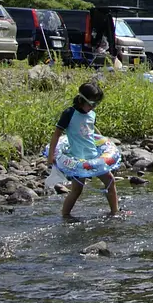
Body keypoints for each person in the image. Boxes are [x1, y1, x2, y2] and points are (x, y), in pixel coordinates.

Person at [47, 82, 120, 219]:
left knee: (110, 181)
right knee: (77, 189)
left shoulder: (91, 114)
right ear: (82, 100)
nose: (93, 107)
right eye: (92, 104)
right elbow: (56, 134)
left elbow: (92, 130)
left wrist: (105, 141)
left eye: (96, 104)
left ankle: (115, 212)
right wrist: (51, 156)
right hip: (78, 159)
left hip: (93, 156)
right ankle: (65, 215)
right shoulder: (69, 113)